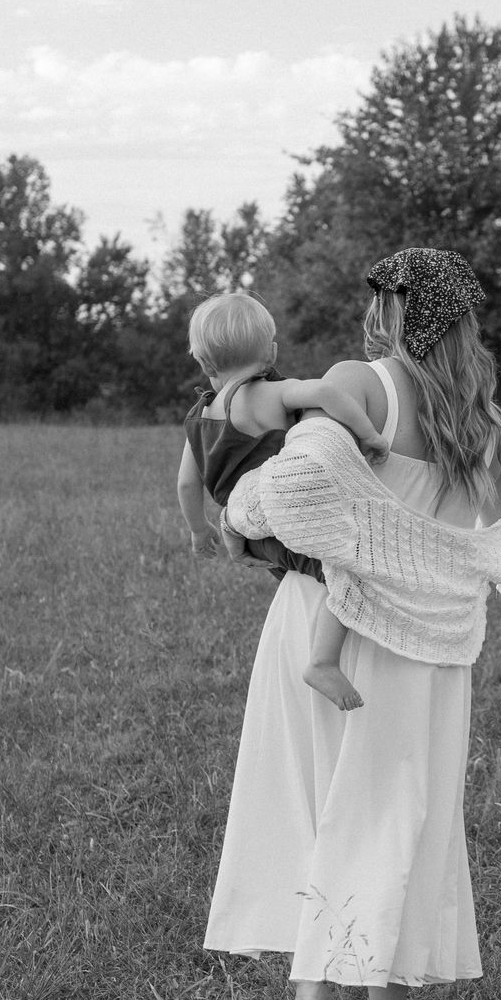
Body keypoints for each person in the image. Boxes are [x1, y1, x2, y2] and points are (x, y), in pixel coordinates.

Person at [204, 249, 501, 1000]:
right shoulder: (481, 421)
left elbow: (297, 478)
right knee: (396, 823)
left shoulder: (362, 382)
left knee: (316, 802)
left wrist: (245, 511)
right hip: (424, 649)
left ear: (398, 309)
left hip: (324, 621)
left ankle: (313, 985)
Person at [175, 290, 389, 711]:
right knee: (347, 567)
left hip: (249, 531)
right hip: (283, 522)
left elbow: (186, 484)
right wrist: (370, 435)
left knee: (314, 572)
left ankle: (316, 646)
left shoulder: (199, 416)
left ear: (202, 362)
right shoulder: (271, 393)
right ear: (271, 352)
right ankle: (322, 662)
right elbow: (328, 394)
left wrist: (199, 530)